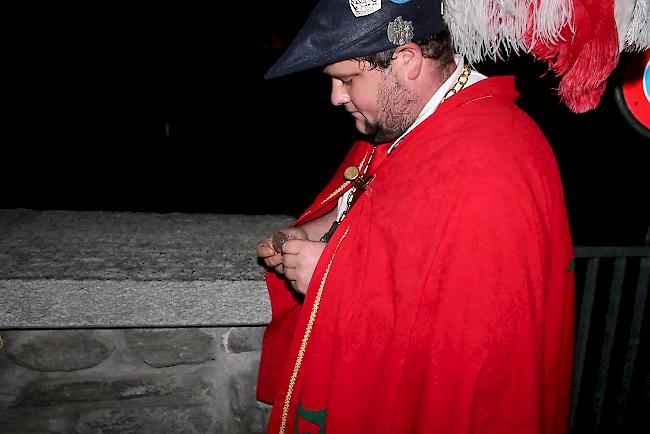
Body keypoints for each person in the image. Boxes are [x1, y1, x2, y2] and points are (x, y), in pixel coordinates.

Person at [255, 1, 575, 433]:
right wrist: (312, 234)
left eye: (348, 79)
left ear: (406, 60)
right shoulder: (410, 123)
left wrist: (329, 275)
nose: (336, 97)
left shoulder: (491, 158)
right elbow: (374, 214)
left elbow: (468, 339)